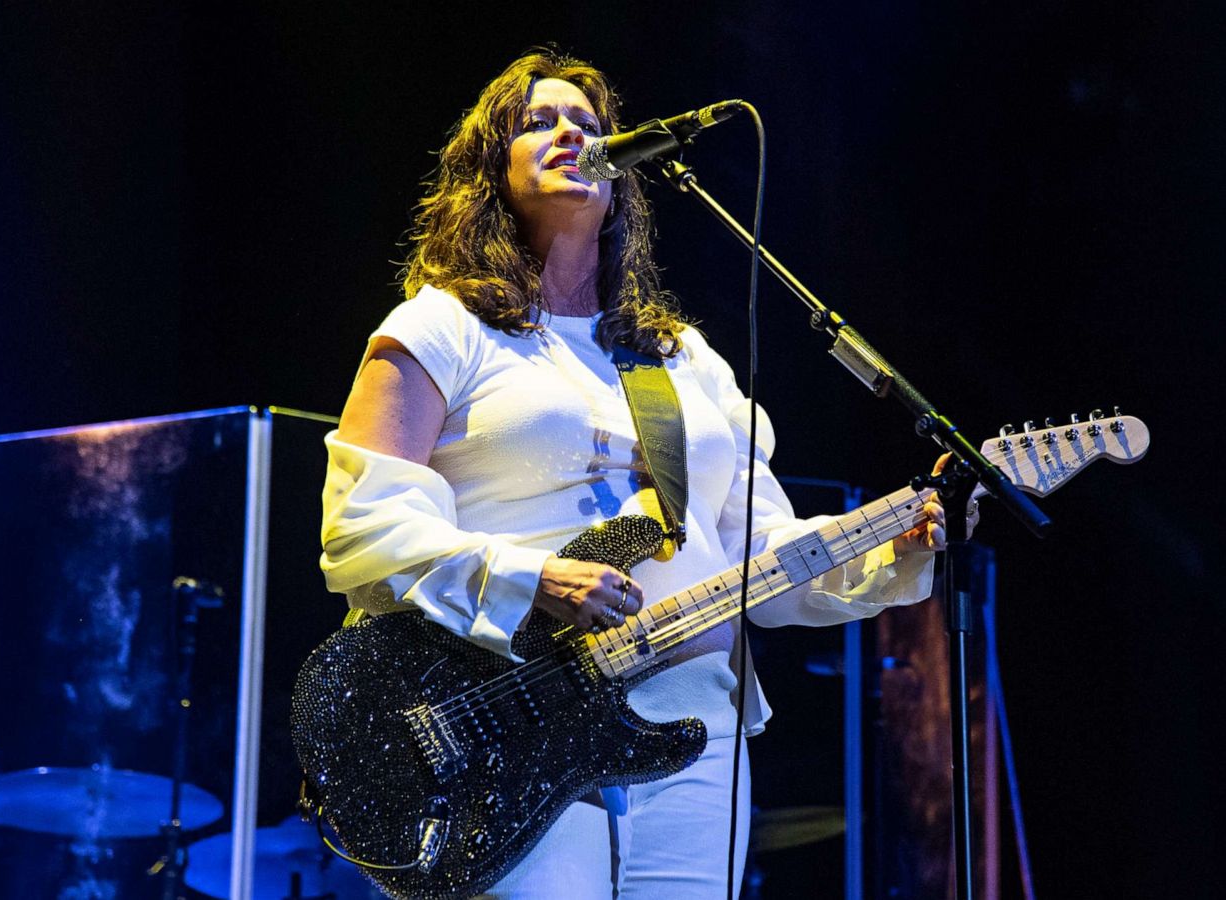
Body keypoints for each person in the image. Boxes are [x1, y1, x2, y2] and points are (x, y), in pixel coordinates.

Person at [319, 48, 971, 899]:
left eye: (589, 125)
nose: (571, 136)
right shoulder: (442, 326)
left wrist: (898, 547)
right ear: (488, 167)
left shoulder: (680, 357)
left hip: (695, 725)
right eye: (538, 121)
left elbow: (761, 558)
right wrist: (531, 578)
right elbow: (361, 526)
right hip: (512, 720)